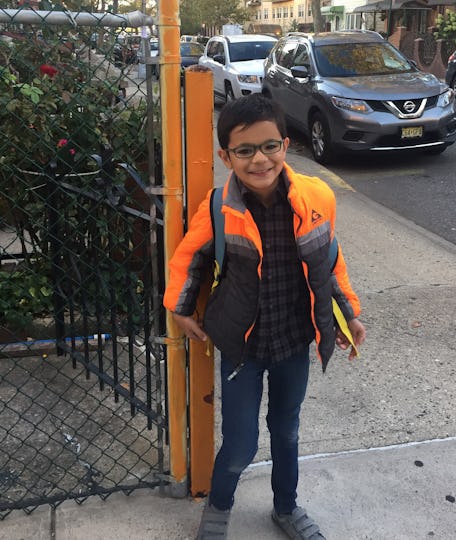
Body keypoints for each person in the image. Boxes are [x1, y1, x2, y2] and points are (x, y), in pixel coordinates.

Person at [163, 94, 366, 540]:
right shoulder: (219, 207)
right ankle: (217, 511)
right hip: (243, 348)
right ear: (226, 156)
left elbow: (329, 262)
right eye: (245, 150)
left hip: (294, 340)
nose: (260, 159)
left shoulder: (316, 196)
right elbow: (189, 261)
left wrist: (348, 314)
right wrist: (178, 310)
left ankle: (286, 508)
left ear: (286, 144)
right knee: (239, 444)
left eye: (270, 146)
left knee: (286, 431)